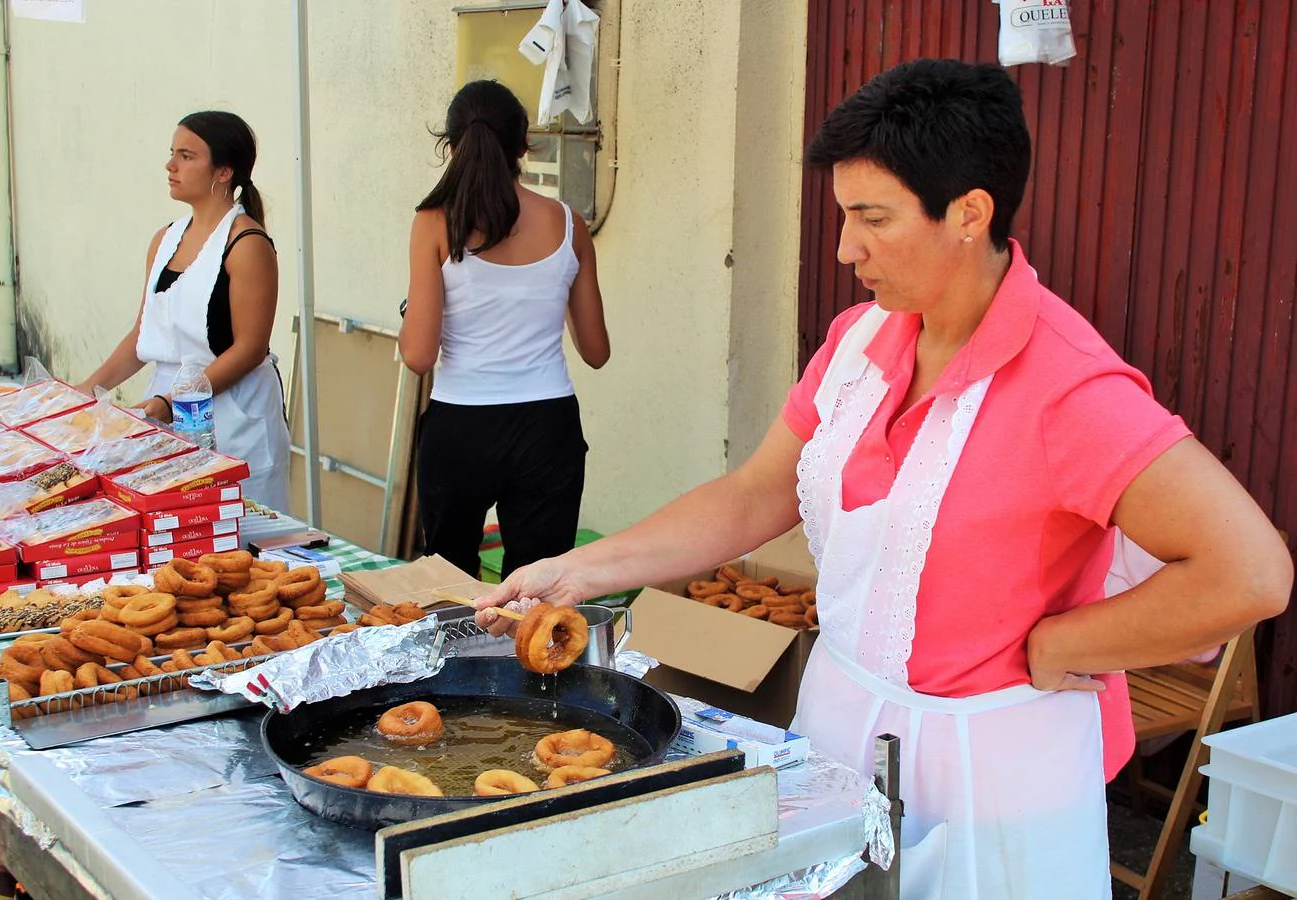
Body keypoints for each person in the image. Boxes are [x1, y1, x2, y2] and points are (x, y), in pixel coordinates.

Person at [477, 60, 1291, 898]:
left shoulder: (1069, 387)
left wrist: (1062, 645)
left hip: (991, 781)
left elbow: (1250, 573)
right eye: (843, 215)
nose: (845, 247)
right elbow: (758, 492)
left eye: (873, 218)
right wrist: (579, 571)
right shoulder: (862, 340)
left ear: (970, 213)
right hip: (840, 731)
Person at [399, 80, 610, 579]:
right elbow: (596, 350)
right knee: (538, 595)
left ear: (451, 145)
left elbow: (418, 355)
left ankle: (462, 661)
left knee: (451, 591)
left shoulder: (433, 221)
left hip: (460, 426)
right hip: (546, 427)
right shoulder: (568, 224)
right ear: (524, 145)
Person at [78, 110, 291, 513]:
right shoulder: (165, 238)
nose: (170, 165)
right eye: (172, 153)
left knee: (241, 542)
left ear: (224, 171)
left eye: (187, 156)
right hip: (166, 412)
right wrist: (86, 391)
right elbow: (143, 334)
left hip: (233, 418)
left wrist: (174, 401)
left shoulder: (247, 244)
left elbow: (250, 349)